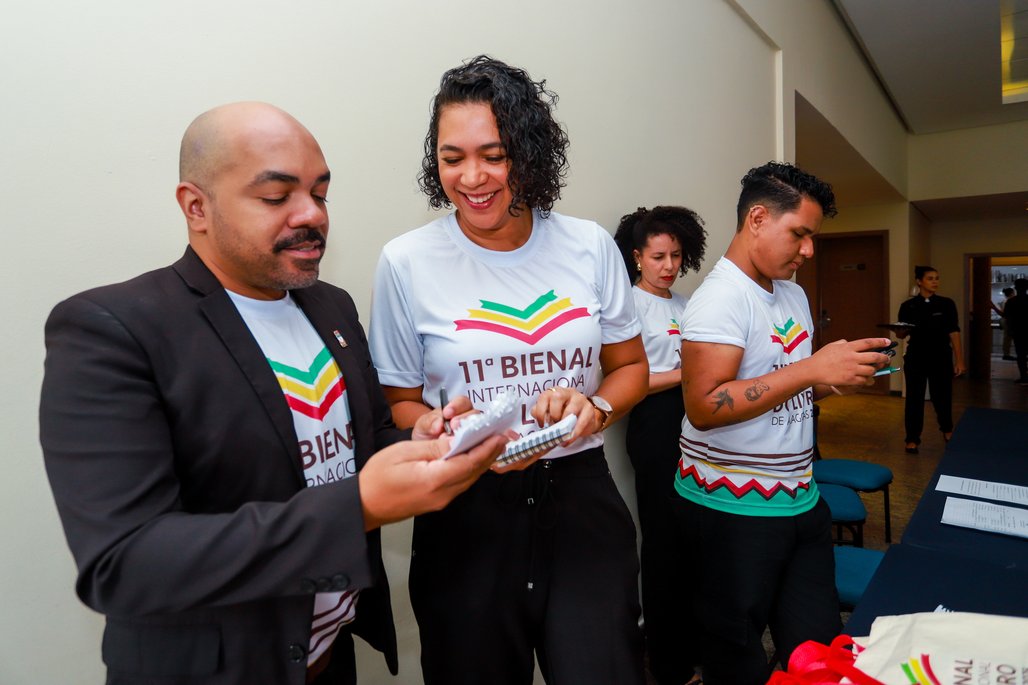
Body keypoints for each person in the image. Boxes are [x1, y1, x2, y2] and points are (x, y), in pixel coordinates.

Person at [38, 102, 508, 685]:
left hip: (328, 656)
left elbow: (356, 442)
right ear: (195, 206)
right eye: (276, 196)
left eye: (320, 192)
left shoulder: (329, 305)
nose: (311, 214)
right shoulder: (112, 329)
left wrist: (423, 436)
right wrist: (358, 507)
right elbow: (126, 562)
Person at [369, 56, 649, 685]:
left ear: (528, 151)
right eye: (452, 157)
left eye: (493, 155)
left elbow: (628, 366)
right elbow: (401, 404)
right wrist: (437, 426)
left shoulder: (588, 245)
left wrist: (594, 408)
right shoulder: (406, 262)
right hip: (464, 507)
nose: (472, 177)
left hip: (580, 497)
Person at [670, 162, 890, 684]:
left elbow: (782, 383)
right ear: (758, 219)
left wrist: (832, 377)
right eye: (801, 234)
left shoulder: (791, 294)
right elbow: (705, 404)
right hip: (731, 507)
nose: (808, 250)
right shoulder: (720, 299)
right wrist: (811, 367)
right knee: (736, 651)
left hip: (799, 496)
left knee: (816, 647)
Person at [613, 206, 706, 685]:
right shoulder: (626, 306)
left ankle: (694, 646)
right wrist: (688, 376)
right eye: (658, 257)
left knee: (693, 541)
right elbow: (629, 380)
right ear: (636, 257)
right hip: (654, 427)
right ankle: (668, 663)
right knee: (664, 546)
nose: (668, 265)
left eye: (675, 256)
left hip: (696, 423)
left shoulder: (688, 304)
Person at [895, 265, 965, 453]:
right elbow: (902, 335)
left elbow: (954, 332)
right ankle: (912, 439)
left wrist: (960, 360)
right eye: (930, 278)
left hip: (940, 357)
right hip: (916, 357)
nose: (935, 282)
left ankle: (947, 429)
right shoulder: (908, 306)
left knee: (942, 397)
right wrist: (898, 331)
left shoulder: (946, 304)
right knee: (914, 399)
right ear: (919, 281)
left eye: (937, 278)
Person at [1002, 278, 1028, 385]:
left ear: (1016, 288)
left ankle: (1024, 377)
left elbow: (1007, 317)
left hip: (1018, 332)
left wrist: (1010, 330)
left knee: (1021, 355)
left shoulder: (1011, 302)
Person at [992, 286, 1015, 360]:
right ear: (1012, 293)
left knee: (1007, 338)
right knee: (1007, 338)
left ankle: (1006, 354)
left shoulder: (1005, 301)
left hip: (1005, 320)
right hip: (1007, 321)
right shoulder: (1009, 302)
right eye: (1014, 293)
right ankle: (1006, 355)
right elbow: (1004, 314)